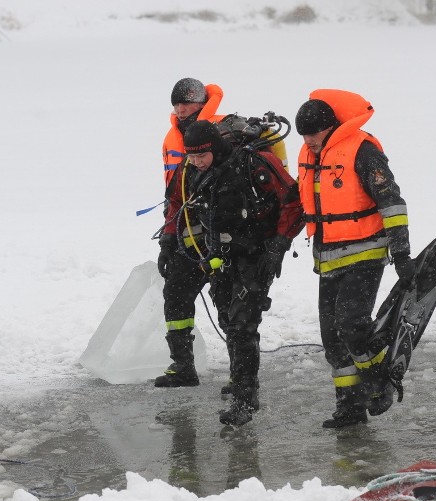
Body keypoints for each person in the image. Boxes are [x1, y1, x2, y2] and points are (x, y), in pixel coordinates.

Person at [161, 119, 304, 426]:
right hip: (220, 256)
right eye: (191, 157)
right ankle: (239, 377)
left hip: (257, 254)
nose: (196, 162)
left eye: (201, 156)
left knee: (242, 323)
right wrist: (168, 241)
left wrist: (279, 245)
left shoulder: (254, 164)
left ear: (215, 147)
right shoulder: (191, 171)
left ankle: (245, 396)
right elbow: (177, 203)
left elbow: (293, 202)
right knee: (227, 317)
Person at [294, 89, 416, 429]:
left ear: (330, 128)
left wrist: (401, 252)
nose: (309, 142)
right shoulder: (311, 153)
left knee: (352, 323)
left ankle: (380, 381)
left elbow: (391, 202)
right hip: (328, 257)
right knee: (332, 336)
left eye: (313, 136)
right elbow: (303, 202)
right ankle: (350, 406)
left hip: (366, 253)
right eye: (304, 136)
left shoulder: (363, 152)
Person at [153, 78, 224, 389]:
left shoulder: (222, 128)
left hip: (222, 235)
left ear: (202, 103)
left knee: (228, 303)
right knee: (176, 296)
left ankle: (242, 376)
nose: (181, 110)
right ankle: (183, 366)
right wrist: (168, 238)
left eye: (187, 103)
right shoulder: (171, 138)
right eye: (177, 104)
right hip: (186, 234)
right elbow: (174, 194)